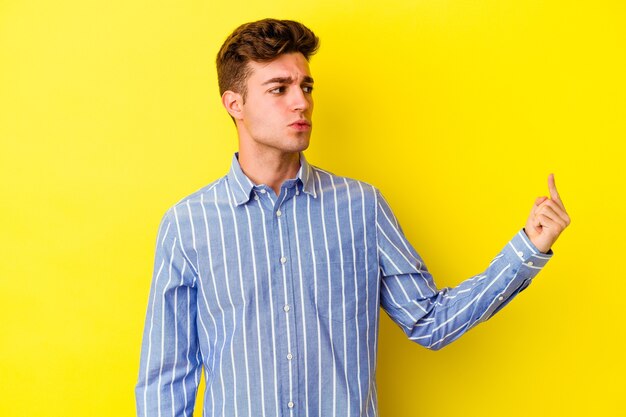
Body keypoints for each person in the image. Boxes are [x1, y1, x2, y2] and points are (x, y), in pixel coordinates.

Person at [135, 18, 570, 417]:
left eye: (306, 87)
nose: (300, 103)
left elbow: (430, 321)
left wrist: (527, 248)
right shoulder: (188, 225)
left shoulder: (362, 207)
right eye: (279, 88)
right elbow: (166, 379)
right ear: (235, 104)